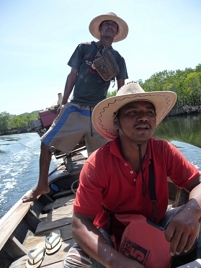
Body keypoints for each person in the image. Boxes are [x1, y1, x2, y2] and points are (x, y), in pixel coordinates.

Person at [63, 82, 201, 268]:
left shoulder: (164, 151)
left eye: (149, 113)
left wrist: (191, 210)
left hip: (156, 226)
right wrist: (116, 261)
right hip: (110, 236)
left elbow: (197, 184)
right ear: (116, 122)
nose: (143, 117)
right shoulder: (98, 163)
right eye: (132, 112)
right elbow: (80, 223)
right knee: (74, 263)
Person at [22, 12, 128, 203]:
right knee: (46, 143)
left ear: (116, 32)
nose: (110, 27)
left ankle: (106, 192)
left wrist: (118, 112)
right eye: (106, 24)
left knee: (103, 156)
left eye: (113, 25)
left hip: (100, 110)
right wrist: (63, 104)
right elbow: (72, 75)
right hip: (77, 106)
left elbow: (121, 87)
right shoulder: (84, 48)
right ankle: (42, 186)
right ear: (100, 29)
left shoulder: (118, 58)